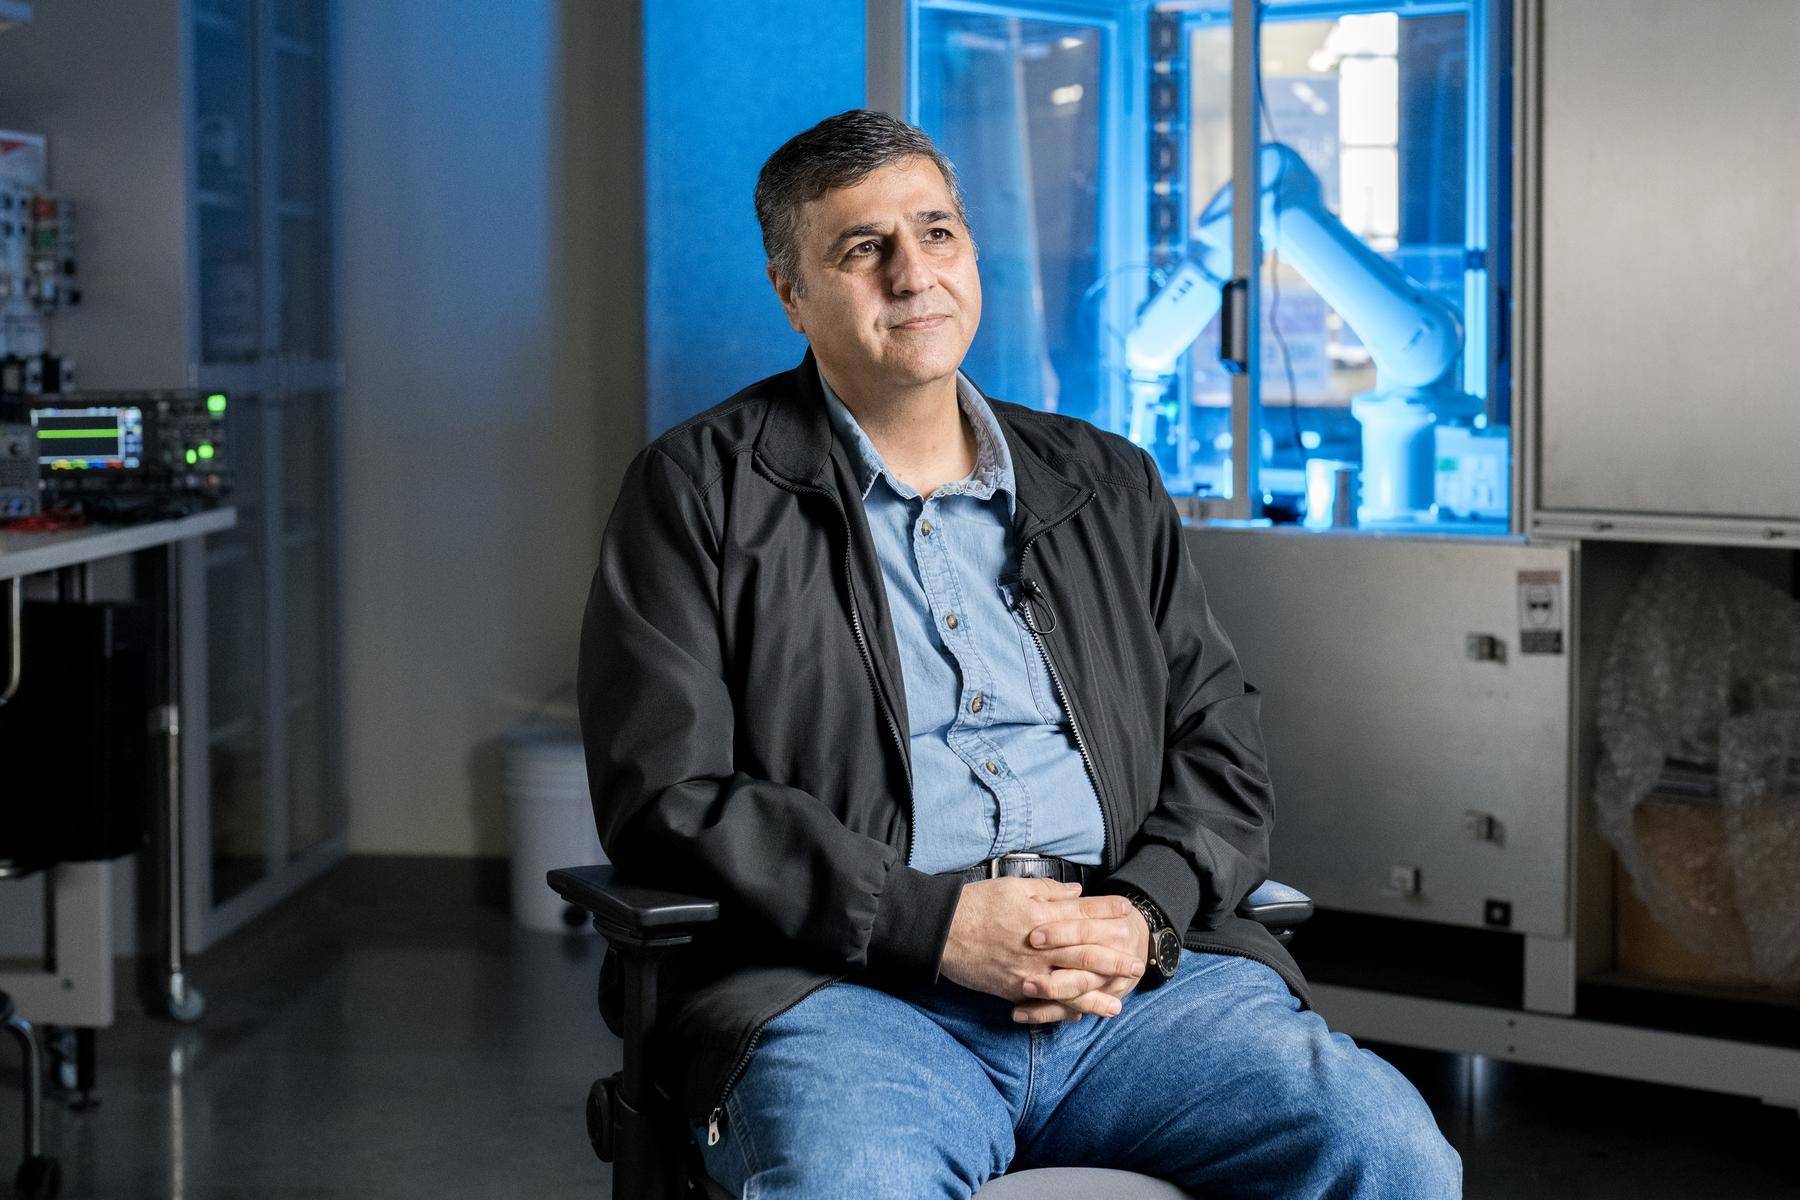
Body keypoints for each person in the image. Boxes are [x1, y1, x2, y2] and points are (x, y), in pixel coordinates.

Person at [578, 108, 1461, 1199]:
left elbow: (1219, 747)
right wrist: (930, 926)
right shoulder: (699, 491)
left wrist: (1144, 912)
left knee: (1391, 1156)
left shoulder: (1107, 484)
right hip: (849, 994)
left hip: (1132, 988)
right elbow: (666, 795)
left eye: (936, 233)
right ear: (791, 294)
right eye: (863, 248)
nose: (913, 274)